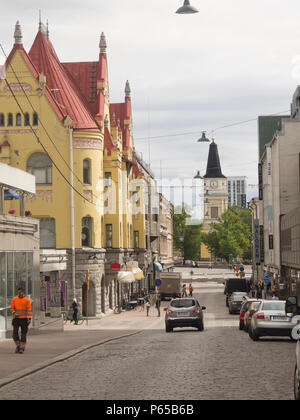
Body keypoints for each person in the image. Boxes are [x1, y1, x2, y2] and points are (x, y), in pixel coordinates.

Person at [10, 287, 32, 354]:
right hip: (16, 319)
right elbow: (12, 307)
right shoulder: (14, 299)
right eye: (18, 292)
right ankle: (18, 346)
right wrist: (14, 313)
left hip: (24, 319)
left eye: (20, 292)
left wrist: (29, 318)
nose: (19, 293)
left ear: (23, 292)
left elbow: (29, 310)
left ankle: (22, 348)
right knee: (15, 335)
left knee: (23, 334)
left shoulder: (27, 300)